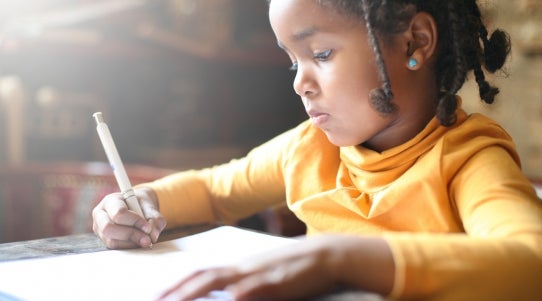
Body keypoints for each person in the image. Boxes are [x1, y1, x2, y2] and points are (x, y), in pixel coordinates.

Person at [92, 0, 542, 300]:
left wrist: (339, 259)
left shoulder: (467, 159)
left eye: (321, 54)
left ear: (414, 43)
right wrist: (141, 203)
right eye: (293, 60)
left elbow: (531, 262)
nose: (298, 82)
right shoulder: (310, 149)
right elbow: (212, 191)